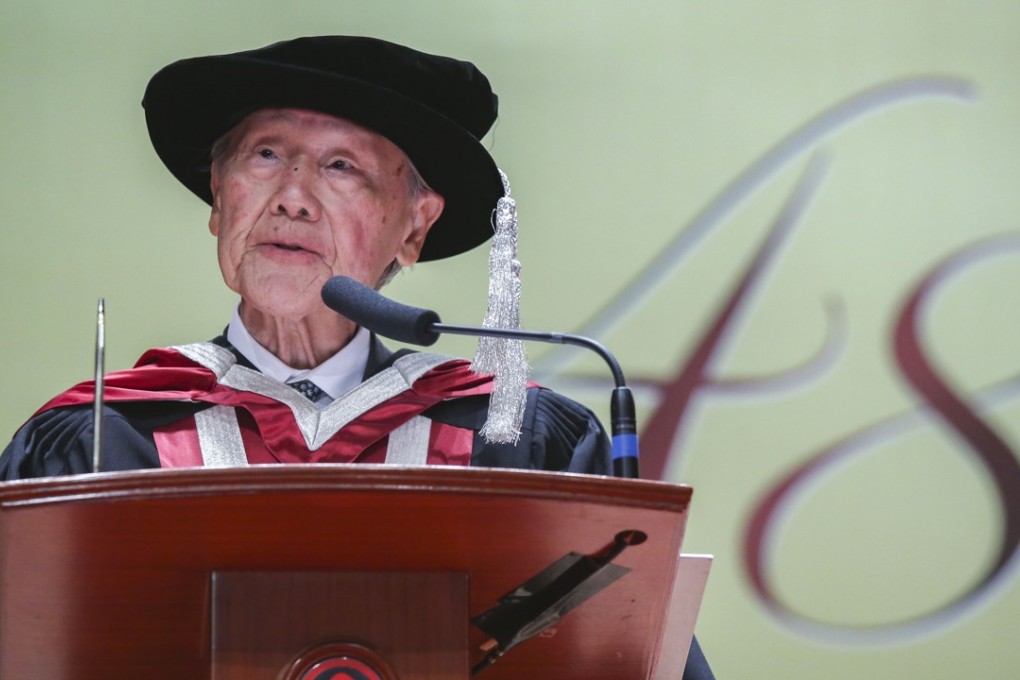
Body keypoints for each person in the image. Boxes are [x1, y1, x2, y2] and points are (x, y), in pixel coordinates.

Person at [0, 36, 714, 678]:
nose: (292, 198)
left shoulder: (517, 444)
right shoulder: (100, 441)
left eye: (342, 168)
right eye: (266, 155)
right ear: (219, 197)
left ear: (415, 226)